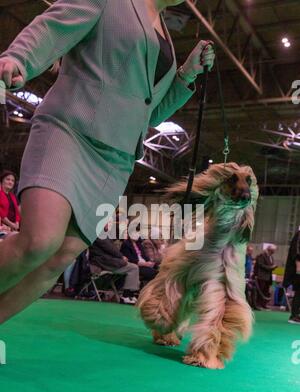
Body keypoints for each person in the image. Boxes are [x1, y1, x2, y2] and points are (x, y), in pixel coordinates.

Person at [0, 0, 215, 325]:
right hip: (71, 130)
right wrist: (18, 58)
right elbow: (53, 26)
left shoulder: (165, 39)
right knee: (40, 240)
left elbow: (148, 113)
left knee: (60, 256)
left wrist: (187, 73)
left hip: (114, 161)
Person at [89, 237, 140, 305]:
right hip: (104, 262)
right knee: (133, 268)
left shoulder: (102, 235)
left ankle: (130, 295)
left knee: (133, 267)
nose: (108, 226)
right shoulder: (100, 236)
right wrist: (121, 257)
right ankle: (126, 295)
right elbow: (110, 249)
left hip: (106, 261)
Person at [283, 228, 300, 324]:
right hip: (298, 270)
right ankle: (294, 316)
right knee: (298, 293)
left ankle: (296, 315)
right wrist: (298, 267)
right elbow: (297, 253)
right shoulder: (299, 235)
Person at [254, 244, 277, 310]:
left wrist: (273, 267)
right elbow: (260, 265)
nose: (274, 252)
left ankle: (263, 304)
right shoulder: (261, 255)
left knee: (266, 291)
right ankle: (257, 305)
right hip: (261, 277)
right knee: (260, 291)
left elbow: (271, 265)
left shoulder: (271, 257)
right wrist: (270, 267)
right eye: (273, 250)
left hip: (268, 277)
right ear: (270, 250)